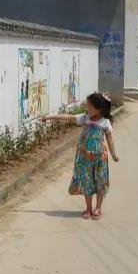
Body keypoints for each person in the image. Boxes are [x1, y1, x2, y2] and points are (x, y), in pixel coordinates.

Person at [41, 92, 119, 220]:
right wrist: (49, 117)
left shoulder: (105, 122)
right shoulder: (84, 118)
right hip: (85, 158)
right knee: (87, 182)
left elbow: (110, 139)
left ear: (99, 109)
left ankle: (98, 208)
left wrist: (114, 154)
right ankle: (88, 208)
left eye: (89, 106)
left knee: (100, 182)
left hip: (100, 158)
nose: (86, 108)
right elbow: (67, 117)